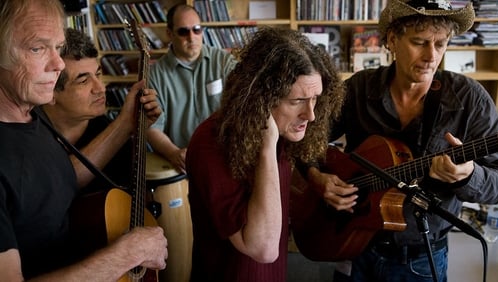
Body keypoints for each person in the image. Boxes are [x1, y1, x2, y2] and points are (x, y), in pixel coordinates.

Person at [300, 0, 498, 281]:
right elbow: (304, 138)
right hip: (352, 243)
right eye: (419, 42)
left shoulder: (470, 99)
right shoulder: (358, 89)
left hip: (421, 258)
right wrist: (316, 178)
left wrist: (469, 174)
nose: (432, 56)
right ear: (392, 40)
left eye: (441, 44)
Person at [0, 1, 167, 281]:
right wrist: (125, 255)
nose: (59, 64)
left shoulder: (29, 116)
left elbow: (54, 184)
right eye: (38, 48)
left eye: (58, 47)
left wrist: (126, 122)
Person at [186, 27, 345, 282]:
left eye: (315, 98)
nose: (311, 114)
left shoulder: (282, 131)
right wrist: (267, 148)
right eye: (297, 101)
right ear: (262, 98)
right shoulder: (211, 143)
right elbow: (263, 248)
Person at [42, 27, 161, 192]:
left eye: (98, 75)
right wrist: (124, 126)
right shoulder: (27, 135)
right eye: (83, 81)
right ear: (50, 91)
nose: (101, 88)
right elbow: (57, 184)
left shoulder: (114, 137)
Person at [147, 3, 238, 173]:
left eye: (197, 29)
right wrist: (173, 152)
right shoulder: (155, 75)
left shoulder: (223, 62)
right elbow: (152, 127)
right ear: (169, 34)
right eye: (183, 31)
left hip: (224, 158)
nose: (192, 37)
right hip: (182, 163)